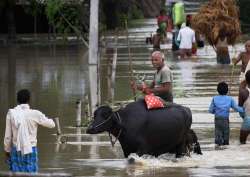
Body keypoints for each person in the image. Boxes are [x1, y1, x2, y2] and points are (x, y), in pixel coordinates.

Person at [4, 89, 55, 172]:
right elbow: (52, 125)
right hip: (31, 149)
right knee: (31, 173)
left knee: (16, 173)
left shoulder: (11, 113)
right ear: (29, 100)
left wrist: (7, 150)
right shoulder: (35, 114)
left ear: (17, 100)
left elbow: (8, 136)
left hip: (16, 149)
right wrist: (46, 118)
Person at [209, 82, 244, 147]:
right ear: (227, 90)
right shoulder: (230, 99)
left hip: (217, 120)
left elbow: (210, 110)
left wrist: (216, 111)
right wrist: (245, 110)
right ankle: (225, 146)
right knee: (226, 136)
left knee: (218, 137)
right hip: (225, 120)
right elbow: (237, 108)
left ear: (217, 90)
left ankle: (218, 149)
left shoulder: (214, 98)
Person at [238, 70, 250, 144]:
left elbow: (240, 110)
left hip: (248, 120)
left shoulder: (243, 92)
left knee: (242, 143)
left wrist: (244, 118)